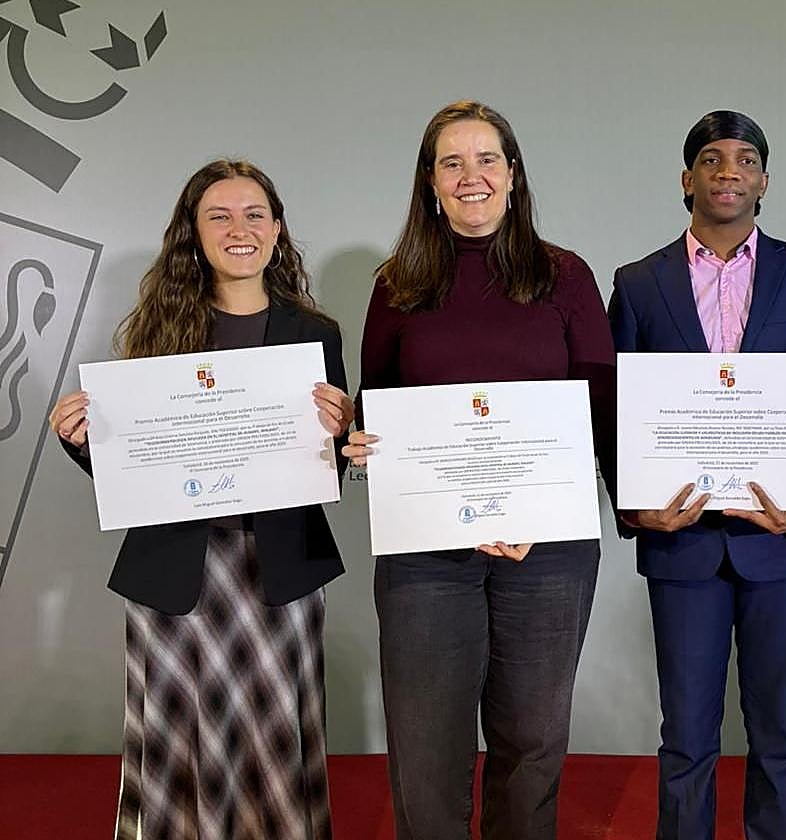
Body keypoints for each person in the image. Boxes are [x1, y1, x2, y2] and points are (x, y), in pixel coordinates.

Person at [47, 160, 354, 839]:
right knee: (178, 744)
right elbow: (137, 469)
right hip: (177, 571)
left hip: (279, 571)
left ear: (277, 229)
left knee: (277, 741)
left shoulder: (316, 335)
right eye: (219, 216)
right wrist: (83, 442)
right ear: (194, 231)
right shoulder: (159, 329)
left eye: (254, 215)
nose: (239, 229)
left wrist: (341, 436)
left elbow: (324, 474)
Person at [343, 100, 616, 840]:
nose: (472, 176)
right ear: (431, 182)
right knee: (426, 751)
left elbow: (599, 411)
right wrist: (359, 436)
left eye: (487, 159)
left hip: (546, 550)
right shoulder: (397, 284)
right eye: (452, 163)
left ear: (513, 173)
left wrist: (541, 510)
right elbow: (378, 401)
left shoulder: (565, 276)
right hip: (427, 554)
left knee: (531, 742)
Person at [608, 110, 786, 840]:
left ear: (764, 181)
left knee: (778, 732)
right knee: (686, 736)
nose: (729, 172)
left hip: (782, 541)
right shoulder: (638, 282)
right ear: (687, 179)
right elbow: (617, 408)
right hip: (681, 541)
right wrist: (633, 506)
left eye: (746, 160)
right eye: (712, 159)